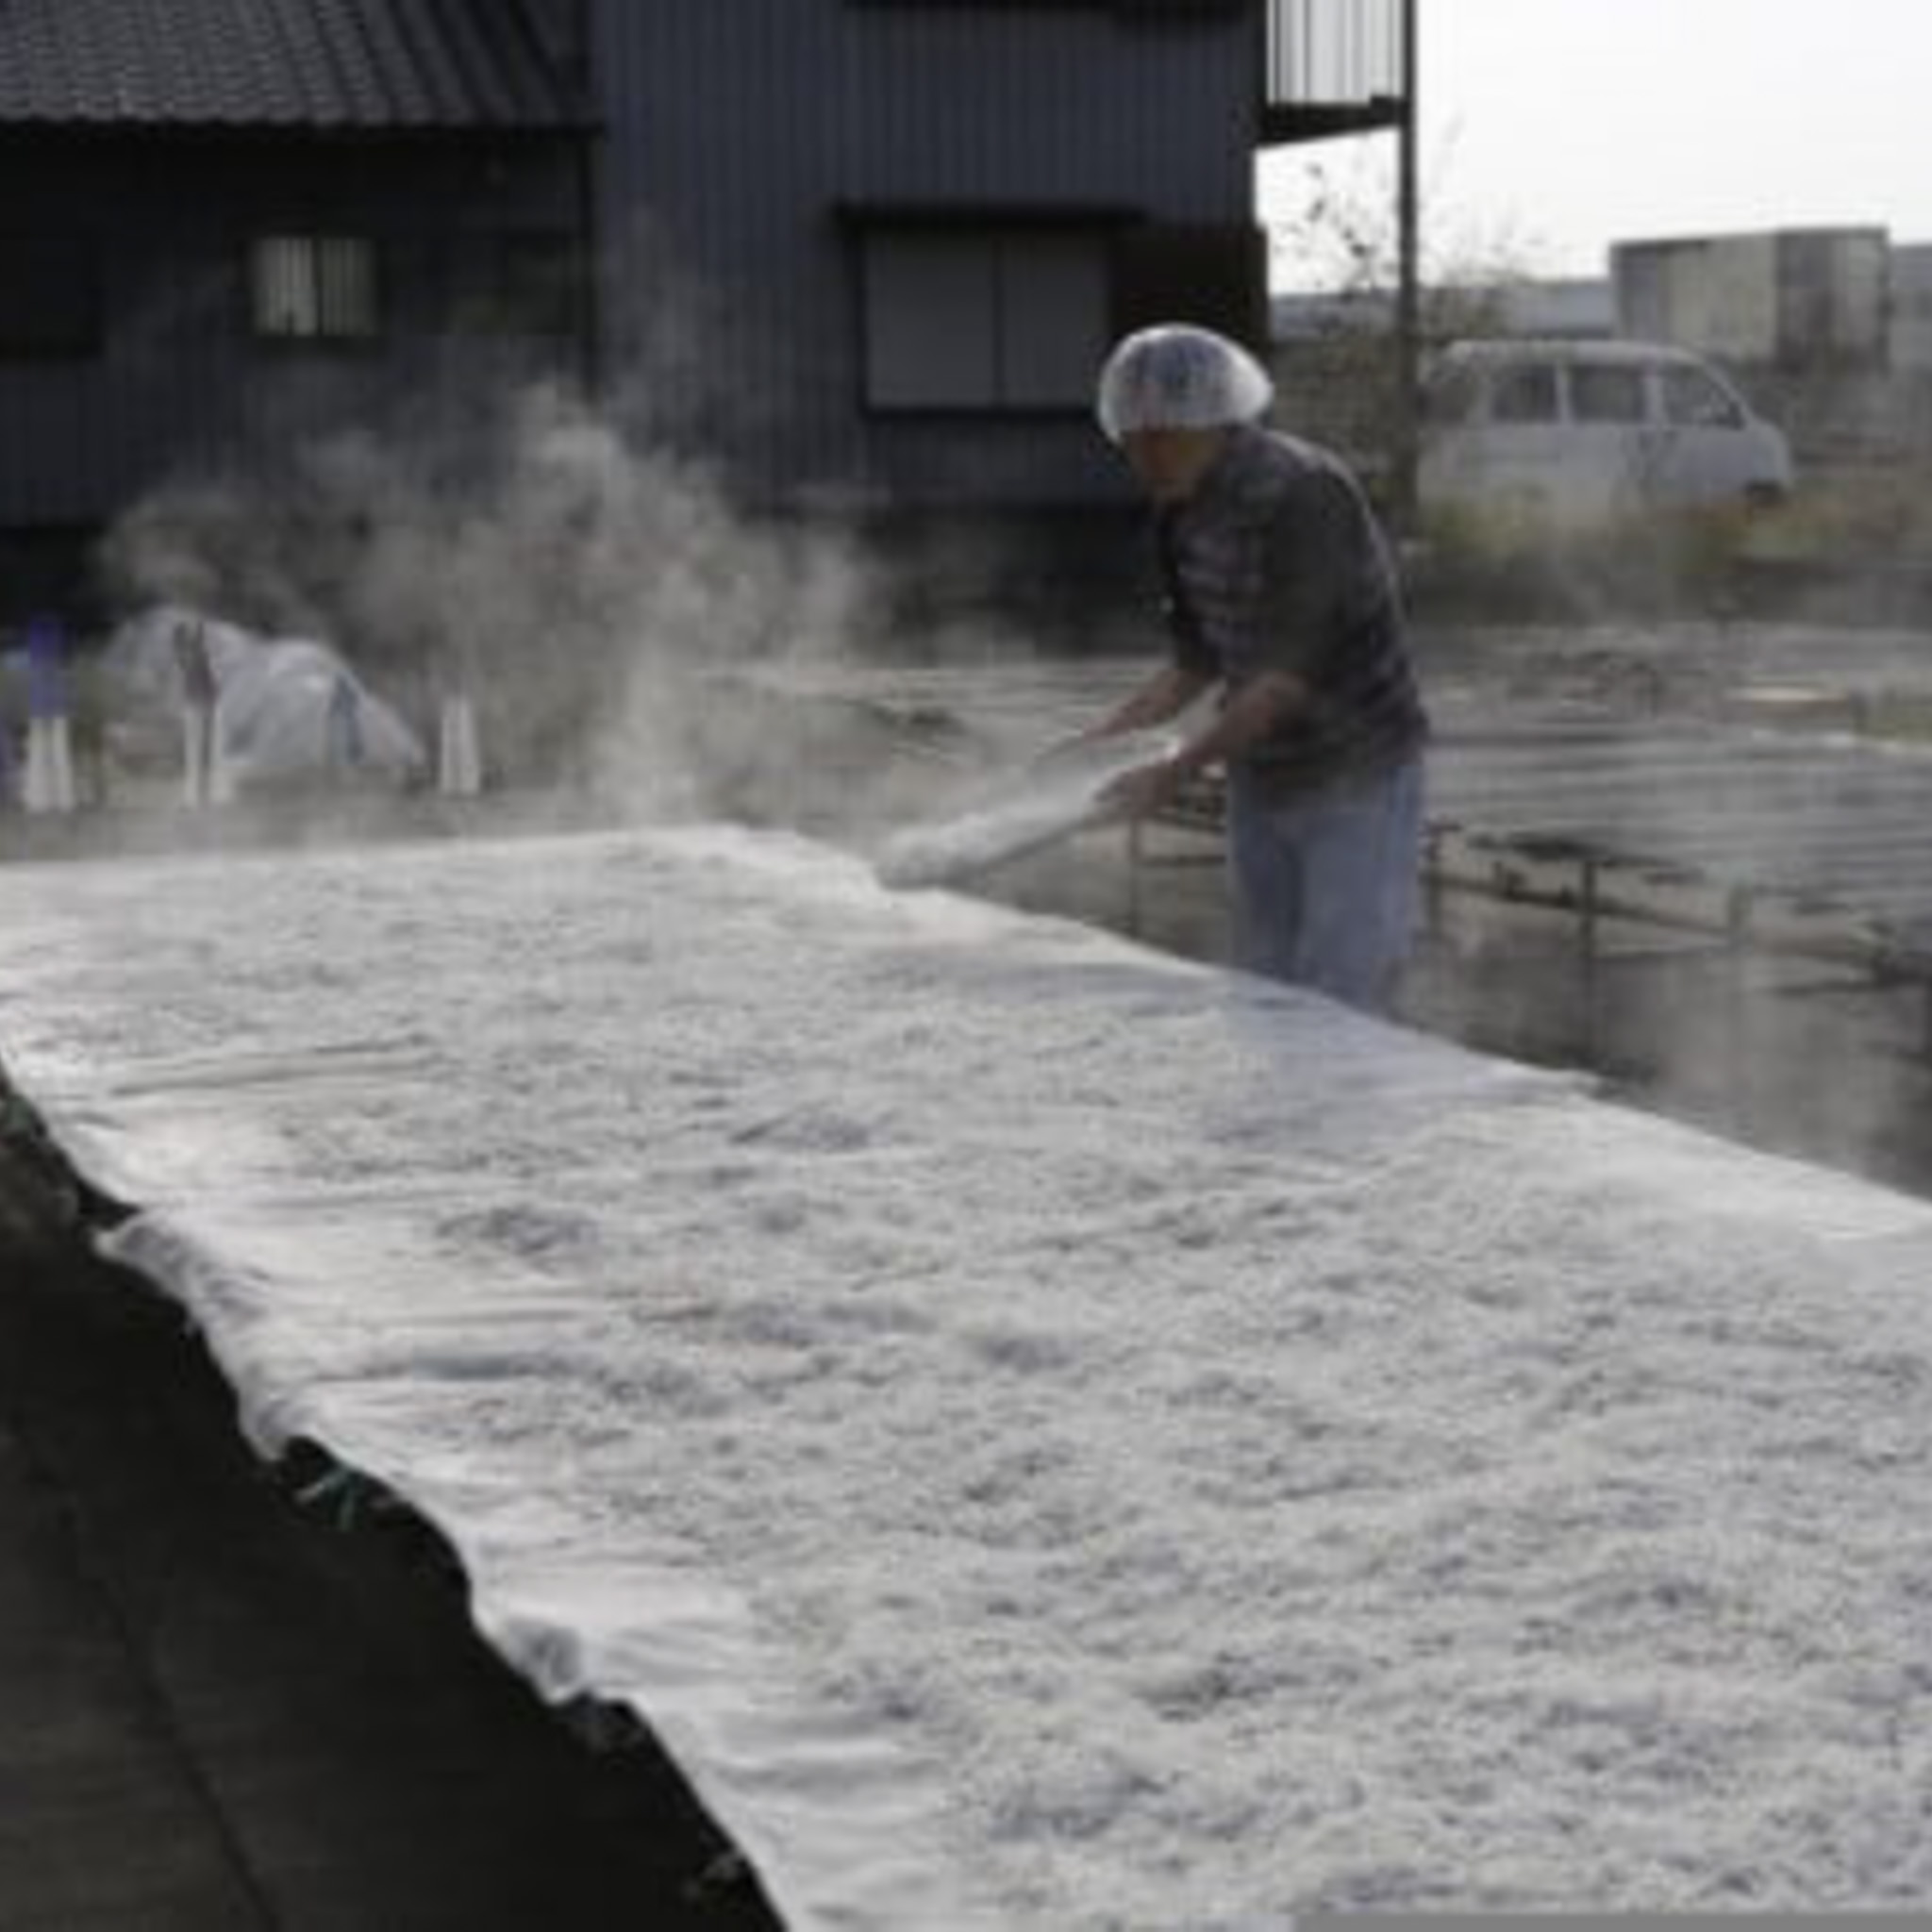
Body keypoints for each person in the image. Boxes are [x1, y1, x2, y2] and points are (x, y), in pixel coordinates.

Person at [1077, 323, 1429, 1013]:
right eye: (1132, 439)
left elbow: (1281, 682)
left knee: (1341, 989)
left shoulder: (1305, 494)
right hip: (1263, 775)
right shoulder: (1180, 511)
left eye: (1163, 436)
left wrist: (1172, 774)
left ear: (1215, 422)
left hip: (1357, 770)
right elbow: (1193, 663)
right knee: (1265, 982)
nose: (1145, 458)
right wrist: (1095, 748)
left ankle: (1353, 1087)